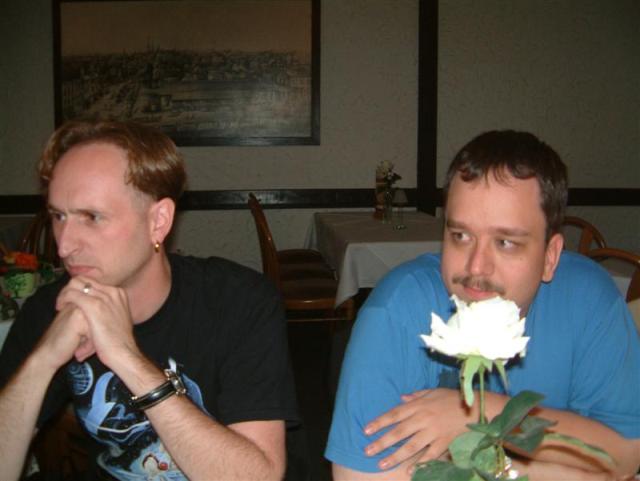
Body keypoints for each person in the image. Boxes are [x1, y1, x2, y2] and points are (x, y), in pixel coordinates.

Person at [325, 130, 640, 480]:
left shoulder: (589, 299)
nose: (476, 268)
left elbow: (625, 454)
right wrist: (563, 470)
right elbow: (359, 476)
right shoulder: (397, 309)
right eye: (460, 236)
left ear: (550, 257)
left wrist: (480, 417)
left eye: (505, 242)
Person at [0, 120, 298, 480]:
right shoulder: (53, 307)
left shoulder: (238, 300)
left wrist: (126, 357)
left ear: (158, 221)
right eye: (58, 216)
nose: (64, 246)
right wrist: (43, 360)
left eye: (92, 217)